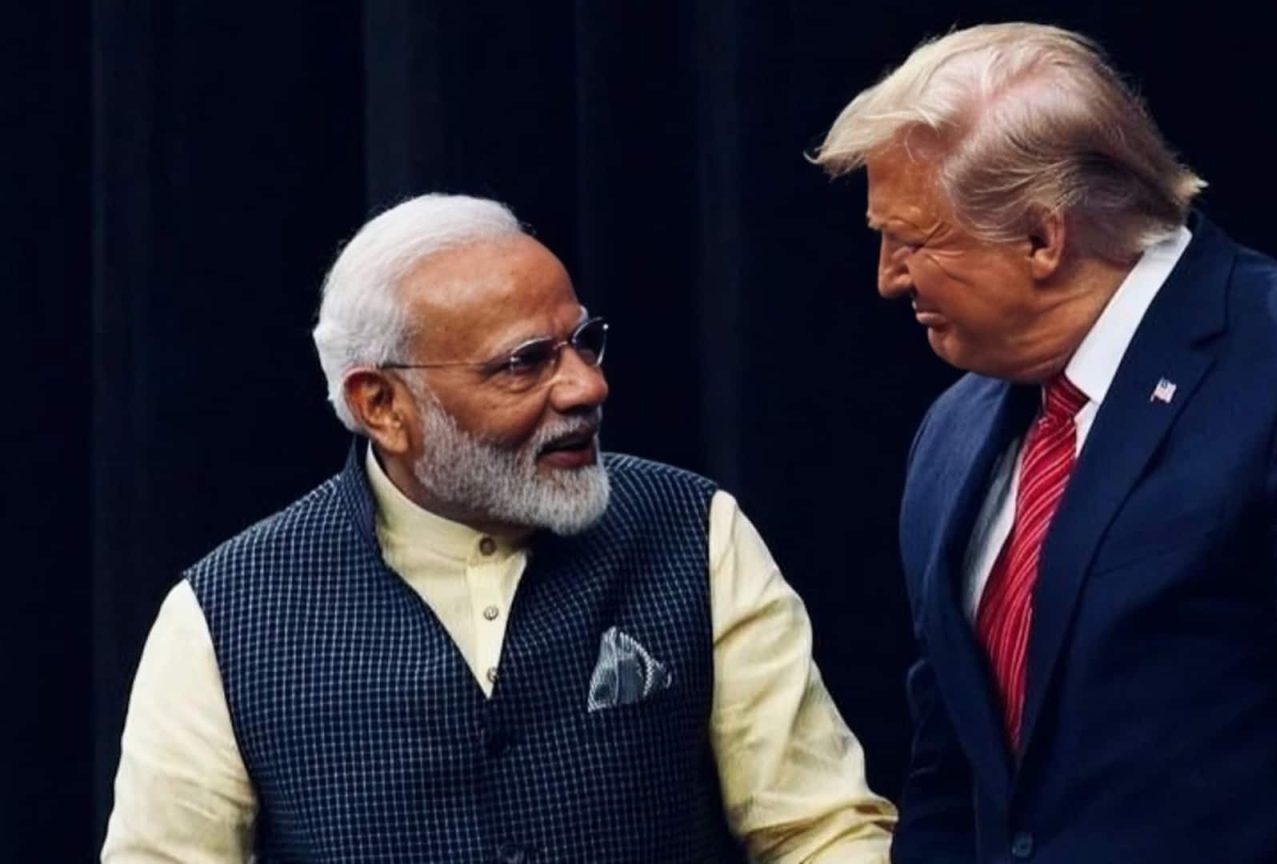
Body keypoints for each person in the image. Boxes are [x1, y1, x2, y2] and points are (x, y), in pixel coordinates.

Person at [812, 22, 1277, 864]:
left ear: (1043, 237)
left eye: (915, 240)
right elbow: (949, 771)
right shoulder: (954, 430)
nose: (888, 277)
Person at [101, 193, 896, 863]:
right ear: (382, 405)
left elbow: (819, 832)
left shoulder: (694, 530)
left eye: (583, 343)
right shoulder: (225, 612)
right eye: (525, 362)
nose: (586, 387)